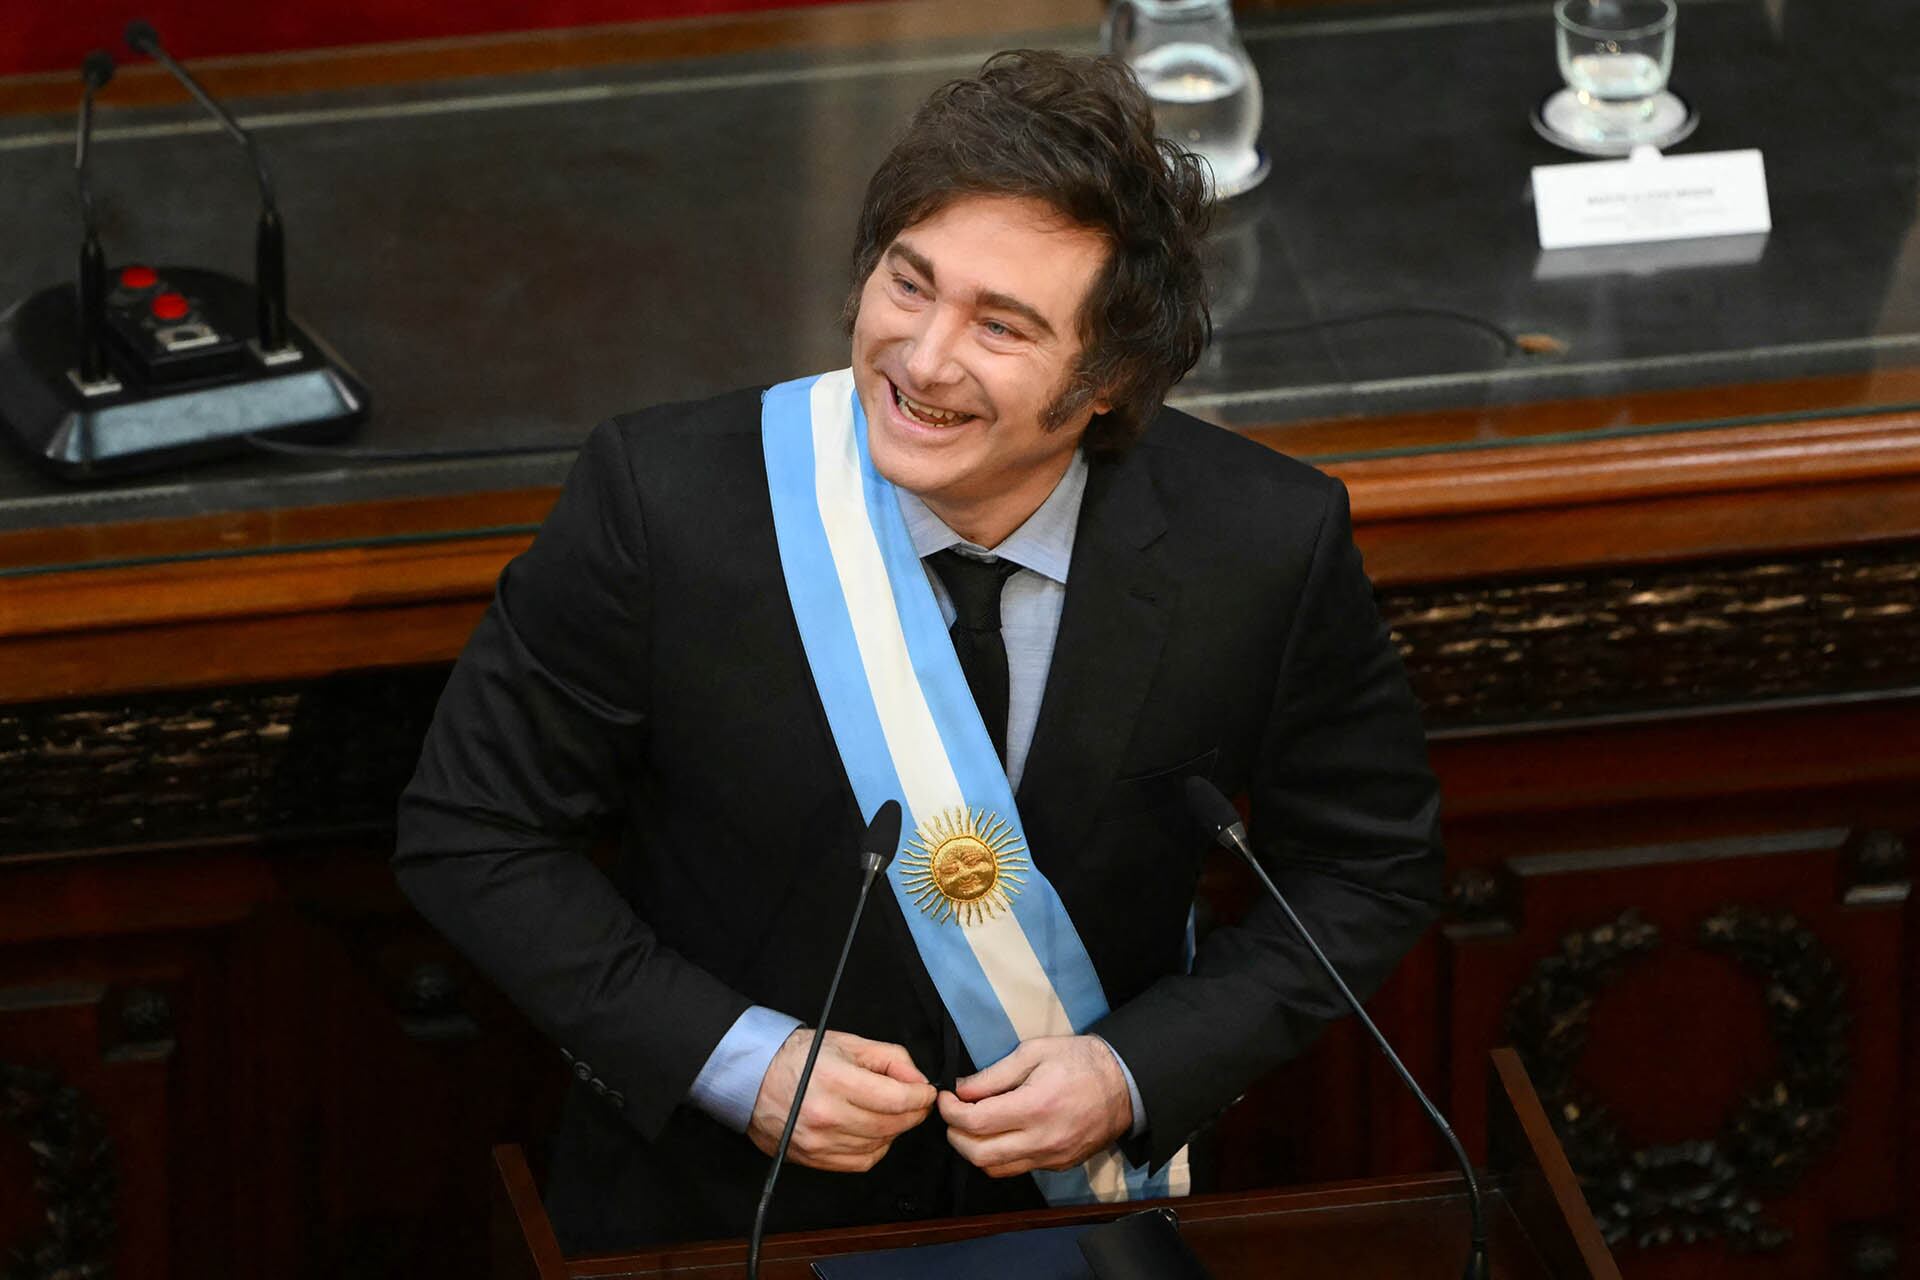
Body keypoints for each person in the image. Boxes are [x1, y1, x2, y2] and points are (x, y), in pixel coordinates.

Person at [395, 49, 1442, 1253]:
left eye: (1001, 325)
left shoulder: (1263, 541)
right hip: (720, 1216)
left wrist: (1136, 1072)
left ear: (1107, 381)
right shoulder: (663, 503)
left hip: (1085, 1214)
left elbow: (1368, 869)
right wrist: (737, 1059)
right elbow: (472, 830)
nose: (921, 358)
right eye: (909, 283)